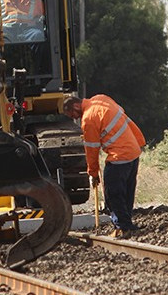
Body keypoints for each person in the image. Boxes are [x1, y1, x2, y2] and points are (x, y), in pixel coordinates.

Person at [63, 94, 146, 235]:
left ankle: (123, 226)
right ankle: (126, 224)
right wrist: (139, 141)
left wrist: (93, 173)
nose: (74, 118)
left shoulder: (88, 119)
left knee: (112, 193)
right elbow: (124, 118)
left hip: (120, 156)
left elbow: (91, 150)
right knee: (126, 191)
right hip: (133, 152)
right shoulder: (101, 99)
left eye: (73, 114)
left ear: (76, 106)